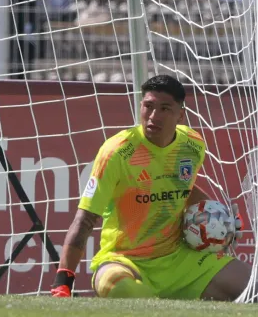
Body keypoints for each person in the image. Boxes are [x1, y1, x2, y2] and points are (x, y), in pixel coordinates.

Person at [51, 75, 251, 300]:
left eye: (165, 108)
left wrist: (221, 215)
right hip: (124, 260)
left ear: (180, 114)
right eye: (148, 106)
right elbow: (85, 219)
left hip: (178, 260)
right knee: (119, 288)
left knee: (251, 288)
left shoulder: (192, 145)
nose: (154, 116)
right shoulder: (117, 152)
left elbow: (182, 189)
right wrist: (63, 281)